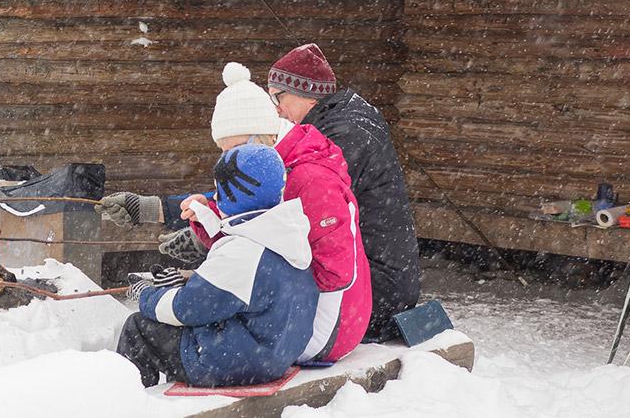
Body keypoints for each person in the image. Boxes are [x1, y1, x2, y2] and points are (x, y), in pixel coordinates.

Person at [103, 62, 372, 363]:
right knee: (201, 311)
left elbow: (334, 273)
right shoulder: (268, 166)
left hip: (327, 326)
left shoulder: (311, 180)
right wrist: (207, 221)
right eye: (224, 151)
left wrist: (242, 288)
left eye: (234, 149)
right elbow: (258, 234)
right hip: (292, 315)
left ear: (261, 137)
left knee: (181, 330)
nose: (229, 159)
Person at [115, 144, 318, 388]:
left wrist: (146, 294)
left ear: (233, 192)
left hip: (237, 362)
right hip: (275, 352)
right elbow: (231, 295)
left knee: (139, 328)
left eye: (218, 189)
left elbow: (184, 310)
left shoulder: (244, 252)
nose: (216, 196)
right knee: (185, 331)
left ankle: (129, 401)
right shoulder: (283, 232)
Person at [266, 43, 420, 340]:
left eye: (278, 96)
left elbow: (288, 203)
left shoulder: (342, 136)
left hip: (376, 291)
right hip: (382, 283)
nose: (277, 109)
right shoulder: (344, 121)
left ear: (305, 94)